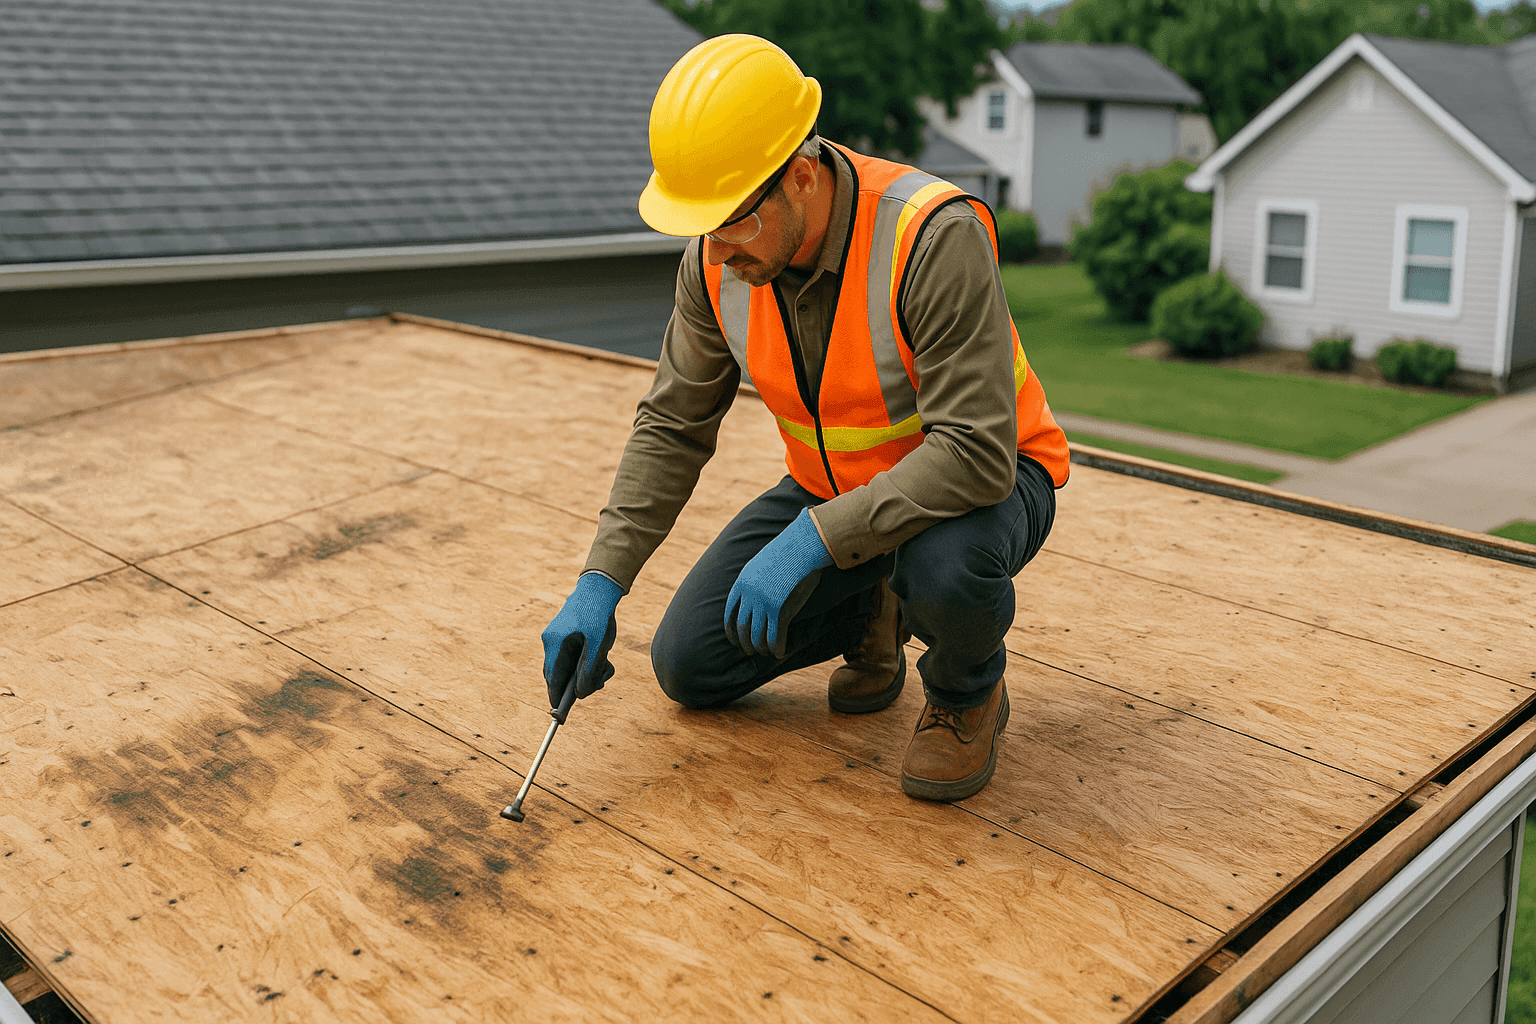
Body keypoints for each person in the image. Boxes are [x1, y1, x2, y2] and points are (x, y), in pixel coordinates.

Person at [540, 34, 1069, 801]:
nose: (716, 252)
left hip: (990, 483)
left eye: (732, 221)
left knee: (944, 569)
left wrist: (816, 540)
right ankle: (875, 606)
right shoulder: (715, 263)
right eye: (703, 227)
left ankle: (965, 693)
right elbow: (672, 425)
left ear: (799, 177)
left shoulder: (930, 237)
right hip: (839, 491)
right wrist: (601, 580)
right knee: (690, 662)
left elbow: (976, 453)